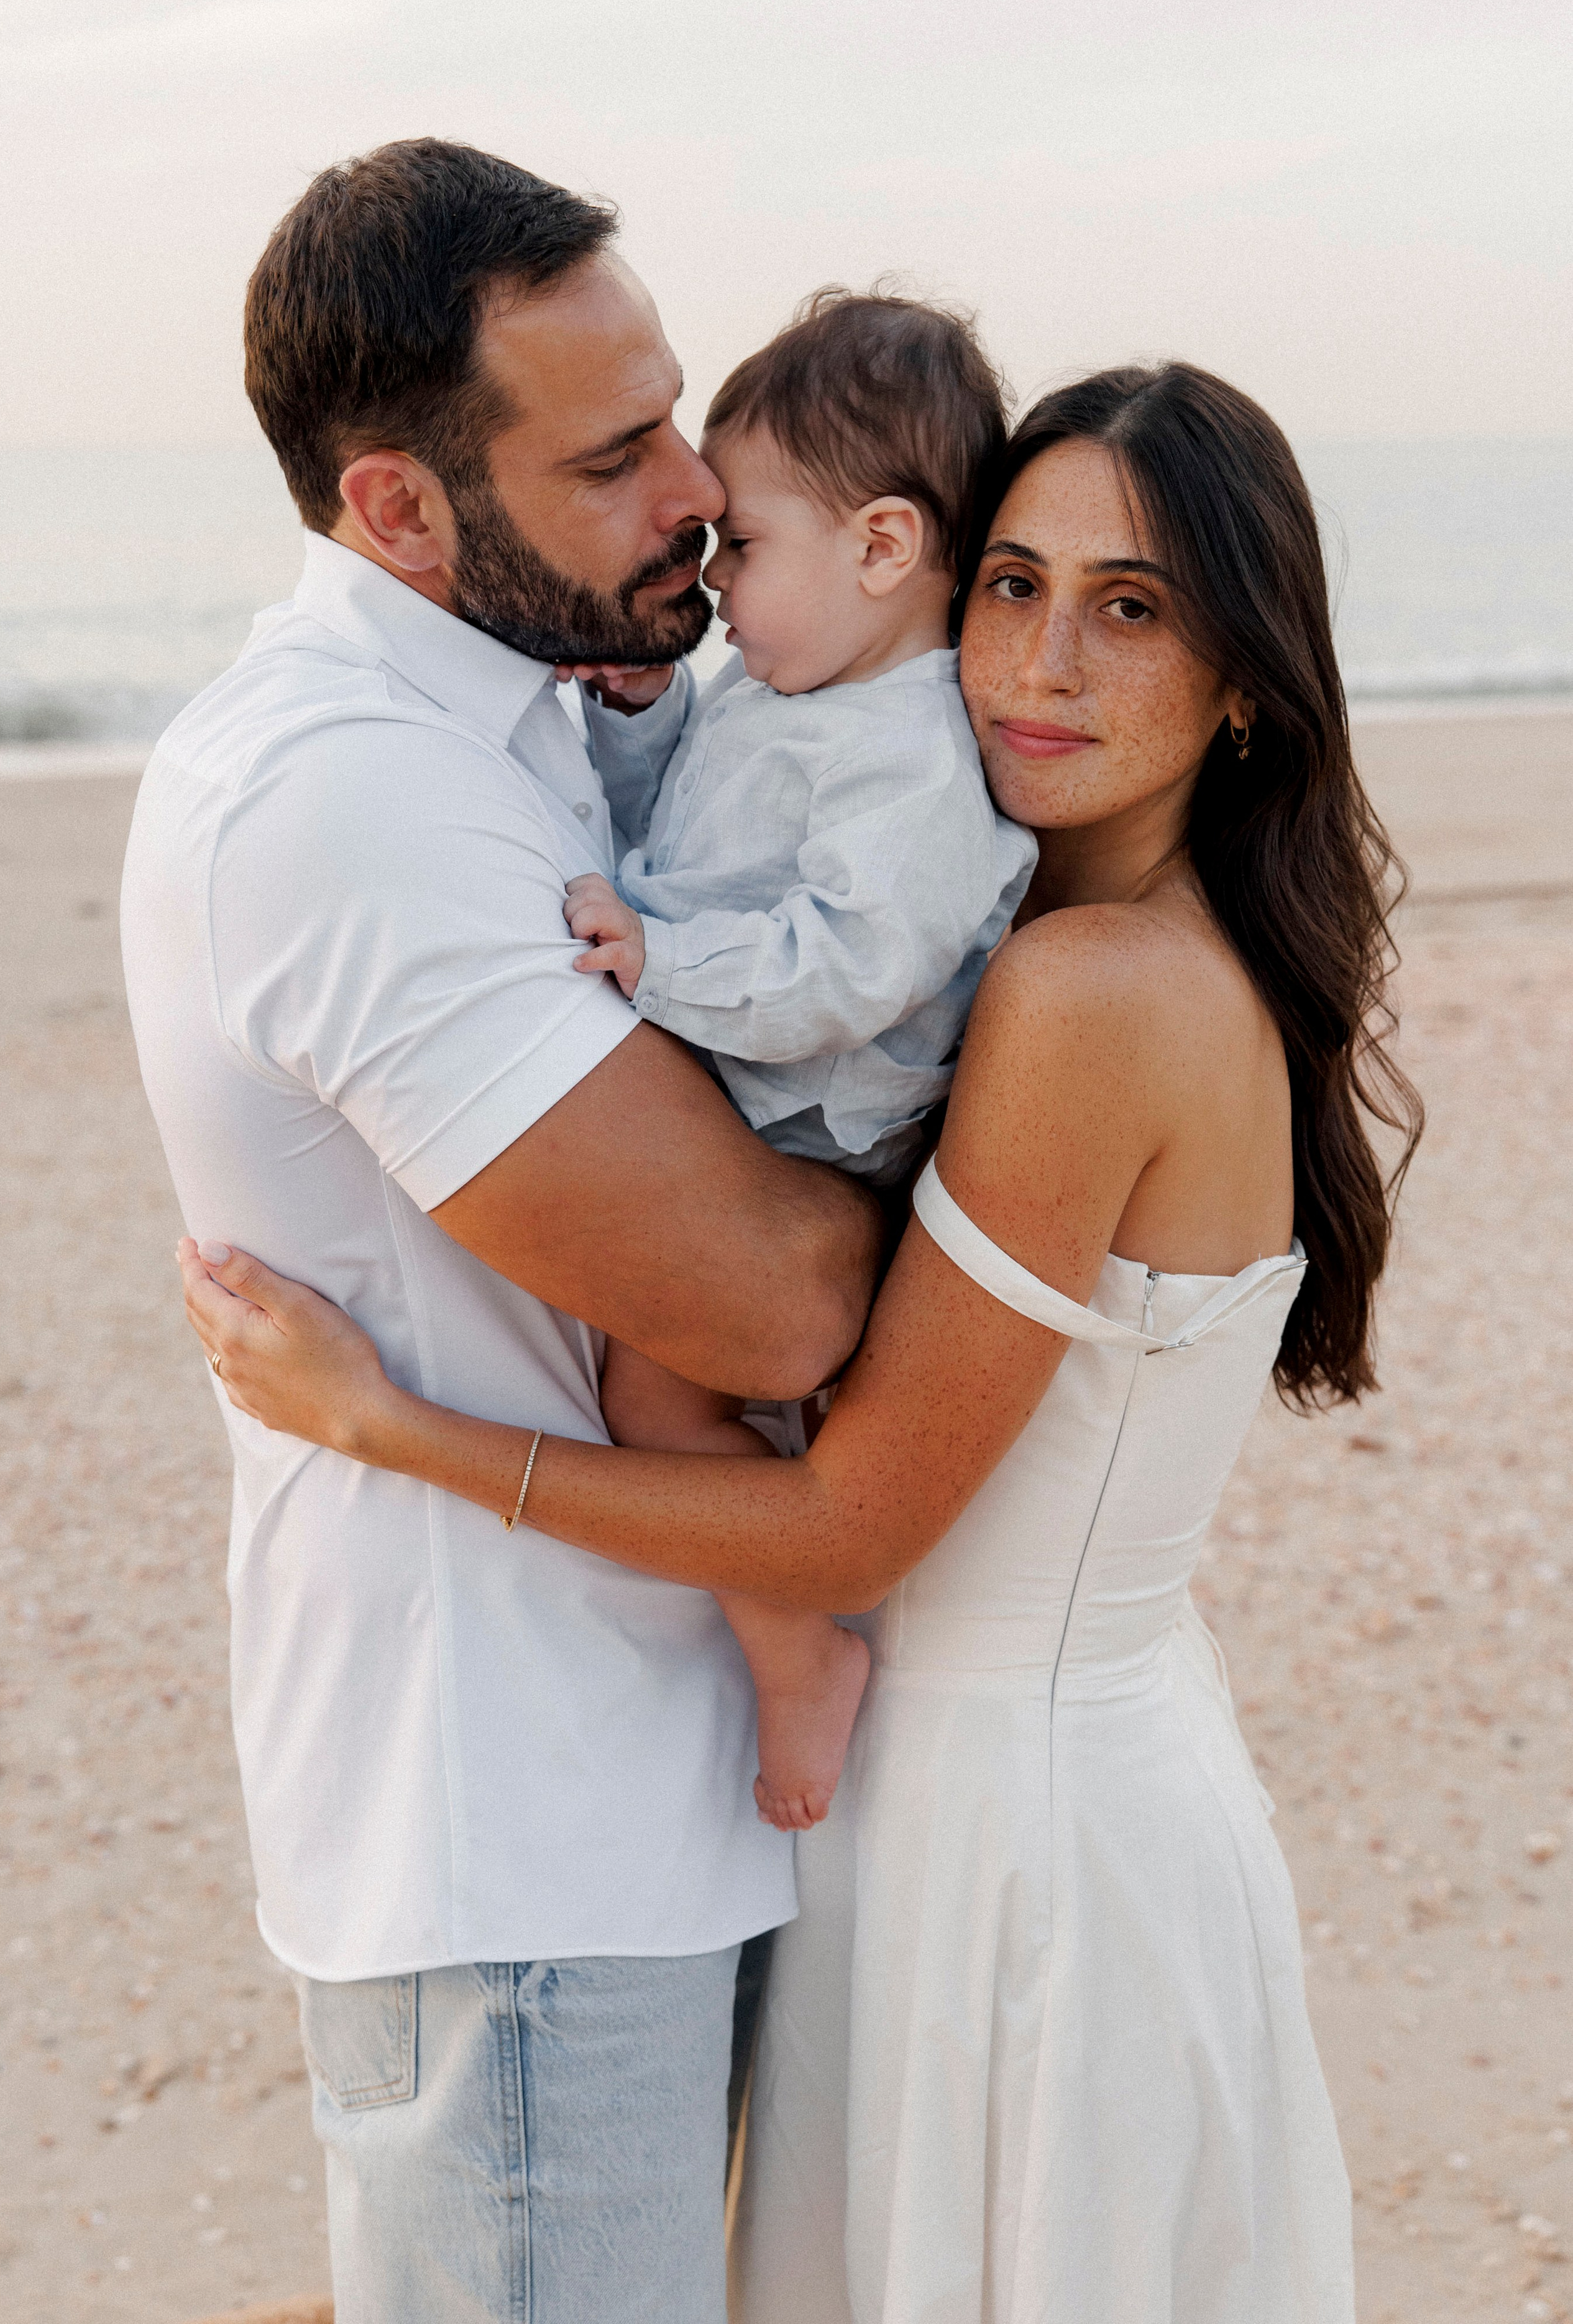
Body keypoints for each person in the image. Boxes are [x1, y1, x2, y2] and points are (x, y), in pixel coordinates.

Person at [178, 360, 1423, 2320]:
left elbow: (850, 1537)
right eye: (1012, 585)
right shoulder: (1054, 952)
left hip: (1024, 1861)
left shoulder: (1094, 995)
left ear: (1247, 677)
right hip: (987, 1807)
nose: (1037, 662)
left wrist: (387, 1425)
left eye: (1132, 609)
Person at [121, 139, 881, 2324]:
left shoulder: (526, 713)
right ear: (397, 509)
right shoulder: (348, 795)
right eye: (619, 455)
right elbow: (768, 1285)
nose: (699, 496)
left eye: (679, 418)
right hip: (518, 1825)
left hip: (638, 1786)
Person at [559, 290, 1036, 1831]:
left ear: (883, 549)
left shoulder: (911, 756)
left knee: (657, 1401)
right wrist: (638, 718)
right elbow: (682, 827)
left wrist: (659, 958)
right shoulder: (787, 691)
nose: (713, 580)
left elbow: (848, 967)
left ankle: (793, 1660)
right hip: (738, 1094)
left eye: (742, 548)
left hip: (810, 1134)